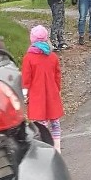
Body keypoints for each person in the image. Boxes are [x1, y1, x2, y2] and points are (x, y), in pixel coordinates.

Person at [21, 25, 64, 153]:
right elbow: (57, 75)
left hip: (37, 96)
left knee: (42, 124)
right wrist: (58, 90)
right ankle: (57, 147)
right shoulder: (52, 56)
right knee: (55, 122)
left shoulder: (29, 58)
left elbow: (26, 78)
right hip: (52, 94)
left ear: (32, 39)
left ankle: (45, 148)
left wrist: (24, 94)